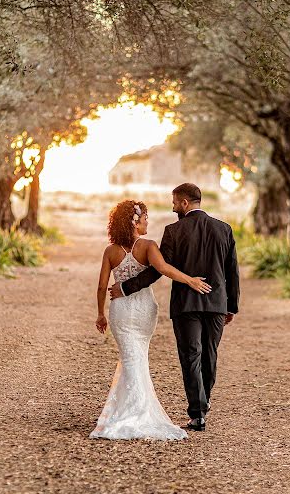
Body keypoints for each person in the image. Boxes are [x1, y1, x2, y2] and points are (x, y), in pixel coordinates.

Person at [111, 183, 240, 432]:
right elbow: (231, 271)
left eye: (174, 203)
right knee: (209, 353)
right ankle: (204, 401)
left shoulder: (174, 231)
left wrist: (126, 287)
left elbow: (159, 270)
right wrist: (230, 305)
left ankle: (197, 414)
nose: (172, 208)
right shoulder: (224, 229)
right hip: (216, 304)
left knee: (191, 355)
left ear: (184, 203)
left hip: (186, 305)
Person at [91, 199, 211, 440]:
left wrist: (101, 314)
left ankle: (129, 409)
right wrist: (191, 280)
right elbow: (164, 269)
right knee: (136, 357)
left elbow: (103, 285)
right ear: (135, 223)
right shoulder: (148, 246)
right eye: (145, 219)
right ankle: (137, 410)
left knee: (132, 357)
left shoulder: (110, 251)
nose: (148, 222)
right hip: (144, 309)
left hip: (121, 311)